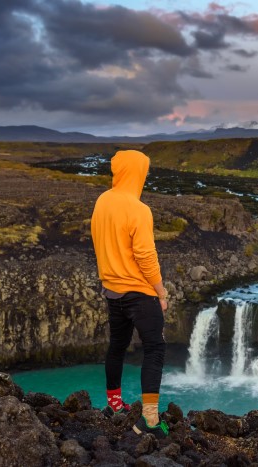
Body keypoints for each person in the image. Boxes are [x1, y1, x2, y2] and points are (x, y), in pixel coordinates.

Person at [90, 149, 169, 438]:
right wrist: (160, 291)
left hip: (112, 291)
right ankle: (149, 419)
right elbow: (146, 256)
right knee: (155, 349)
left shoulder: (102, 201)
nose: (145, 176)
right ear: (136, 173)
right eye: (143, 171)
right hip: (139, 293)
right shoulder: (139, 209)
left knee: (118, 346)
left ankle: (114, 405)